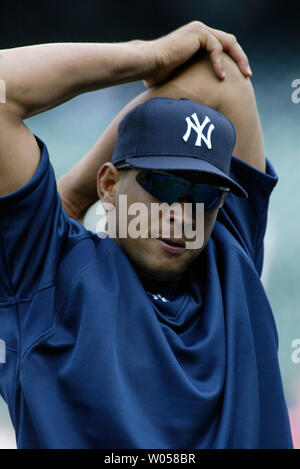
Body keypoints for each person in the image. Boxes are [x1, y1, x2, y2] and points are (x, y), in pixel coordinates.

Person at [0, 21, 293, 449]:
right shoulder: (47, 272)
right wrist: (147, 54)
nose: (182, 213)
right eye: (164, 184)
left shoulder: (230, 254)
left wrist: (77, 198)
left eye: (203, 193)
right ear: (110, 185)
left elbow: (224, 79)